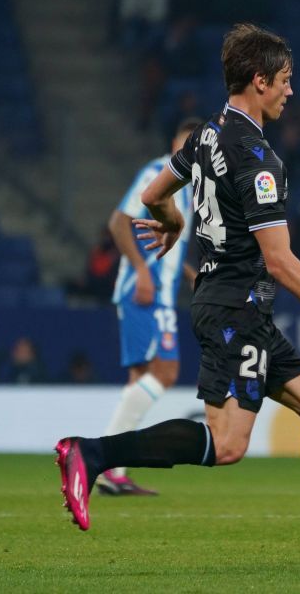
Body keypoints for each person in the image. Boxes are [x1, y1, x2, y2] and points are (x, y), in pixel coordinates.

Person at [55, 23, 300, 574]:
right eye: (284, 80)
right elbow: (280, 260)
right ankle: (92, 453)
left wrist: (174, 220)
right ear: (259, 81)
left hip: (229, 302)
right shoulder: (258, 158)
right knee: (228, 443)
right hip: (236, 307)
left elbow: (151, 195)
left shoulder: (205, 135)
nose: (290, 91)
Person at [95, 119, 200, 496]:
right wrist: (141, 271)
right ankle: (100, 458)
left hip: (161, 292)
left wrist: (187, 272)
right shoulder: (157, 173)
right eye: (185, 144)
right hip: (144, 291)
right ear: (174, 142)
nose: (189, 151)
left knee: (141, 379)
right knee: (166, 371)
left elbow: (165, 242)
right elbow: (118, 222)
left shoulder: (187, 188)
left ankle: (113, 470)